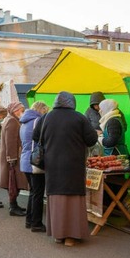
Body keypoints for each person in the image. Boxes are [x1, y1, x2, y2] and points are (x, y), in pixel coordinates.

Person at [33, 91, 98, 247]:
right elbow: (92, 140)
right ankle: (71, 236)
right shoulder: (79, 117)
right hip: (74, 166)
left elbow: (36, 136)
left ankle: (58, 235)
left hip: (52, 165)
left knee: (56, 199)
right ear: (72, 102)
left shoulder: (46, 117)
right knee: (73, 200)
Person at [19, 101, 49, 232]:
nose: (46, 113)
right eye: (45, 111)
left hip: (25, 160)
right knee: (38, 193)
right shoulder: (37, 121)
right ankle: (36, 223)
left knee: (33, 192)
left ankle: (29, 220)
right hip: (35, 161)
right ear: (41, 109)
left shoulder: (24, 122)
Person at [0, 102, 29, 216]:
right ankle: (13, 206)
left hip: (10, 156)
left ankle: (14, 205)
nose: (22, 112)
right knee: (13, 182)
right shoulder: (12, 121)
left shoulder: (9, 119)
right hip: (12, 157)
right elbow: (10, 141)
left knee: (13, 182)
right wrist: (11, 158)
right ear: (15, 110)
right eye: (21, 110)